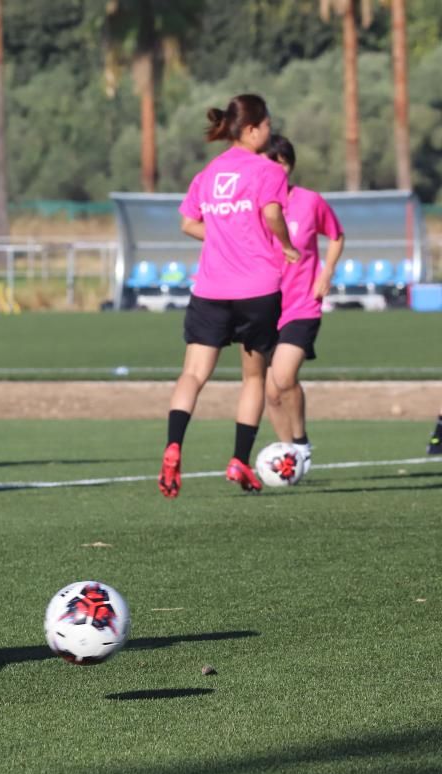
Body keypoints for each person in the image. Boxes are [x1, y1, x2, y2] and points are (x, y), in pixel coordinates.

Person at [159, 94, 299, 498]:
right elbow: (272, 215)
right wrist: (286, 246)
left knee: (193, 373)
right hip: (256, 288)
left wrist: (221, 235)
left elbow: (188, 223)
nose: (271, 134)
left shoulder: (209, 173)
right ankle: (239, 459)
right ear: (252, 129)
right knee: (253, 376)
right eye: (268, 127)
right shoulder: (266, 171)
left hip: (211, 289)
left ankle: (174, 444)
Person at [261, 134, 345, 473]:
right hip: (265, 305)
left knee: (283, 376)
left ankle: (300, 443)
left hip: (303, 305)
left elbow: (336, 236)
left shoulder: (310, 201)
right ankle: (289, 458)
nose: (278, 167)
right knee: (269, 393)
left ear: (290, 164)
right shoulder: (256, 207)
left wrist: (326, 274)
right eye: (271, 161)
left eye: (282, 160)